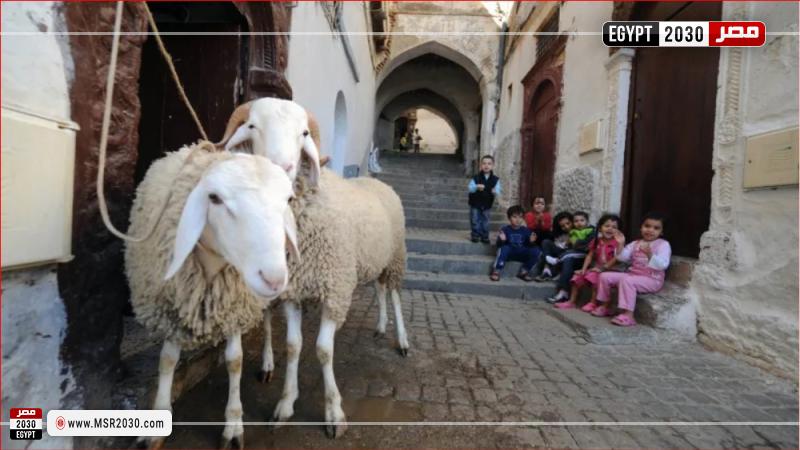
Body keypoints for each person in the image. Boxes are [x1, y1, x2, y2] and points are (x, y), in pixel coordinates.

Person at [592, 212, 672, 327]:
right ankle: (605, 306)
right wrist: (620, 244)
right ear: (641, 227)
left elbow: (663, 265)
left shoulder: (663, 244)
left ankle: (628, 315)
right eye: (647, 226)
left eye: (656, 228)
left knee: (627, 281)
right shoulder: (636, 243)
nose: (650, 230)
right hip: (634, 275)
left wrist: (650, 254)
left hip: (652, 279)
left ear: (661, 232)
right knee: (605, 276)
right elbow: (622, 257)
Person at [554, 214, 623, 311]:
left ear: (618, 231)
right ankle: (571, 301)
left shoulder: (617, 243)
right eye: (607, 226)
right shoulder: (597, 241)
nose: (610, 229)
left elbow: (618, 258)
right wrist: (584, 269)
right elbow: (590, 255)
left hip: (610, 270)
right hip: (596, 268)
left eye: (614, 227)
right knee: (576, 277)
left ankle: (593, 303)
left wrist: (621, 243)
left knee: (594, 278)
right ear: (600, 228)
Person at [546, 211, 595, 303]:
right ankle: (563, 292)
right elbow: (570, 245)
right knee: (568, 258)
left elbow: (586, 245)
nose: (579, 223)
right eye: (576, 221)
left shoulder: (591, 231)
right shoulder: (573, 231)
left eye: (582, 220)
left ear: (587, 222)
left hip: (584, 256)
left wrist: (575, 243)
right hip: (574, 254)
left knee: (568, 256)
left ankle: (556, 264)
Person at [490, 205, 540, 282]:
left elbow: (529, 246)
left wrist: (531, 242)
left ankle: (524, 271)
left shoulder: (525, 230)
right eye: (514, 217)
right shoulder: (505, 229)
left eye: (520, 217)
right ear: (509, 218)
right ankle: (497, 270)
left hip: (521, 253)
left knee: (536, 250)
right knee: (504, 248)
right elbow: (499, 246)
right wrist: (502, 240)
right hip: (509, 254)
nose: (518, 220)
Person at [468, 155, 501, 243]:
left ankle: (484, 235)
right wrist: (476, 186)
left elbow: (498, 189)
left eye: (489, 164)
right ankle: (475, 235)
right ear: (481, 165)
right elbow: (470, 188)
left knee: (485, 220)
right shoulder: (476, 178)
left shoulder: (495, 179)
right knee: (475, 219)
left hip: (487, 204)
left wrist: (495, 191)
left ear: (493, 166)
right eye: (484, 163)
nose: (486, 165)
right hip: (475, 202)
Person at [534, 211, 573, 281]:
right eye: (562, 226)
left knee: (545, 256)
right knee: (546, 242)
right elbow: (555, 246)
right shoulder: (559, 234)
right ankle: (547, 269)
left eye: (568, 223)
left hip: (566, 254)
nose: (566, 227)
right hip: (556, 255)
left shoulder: (577, 232)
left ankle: (547, 271)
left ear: (572, 221)